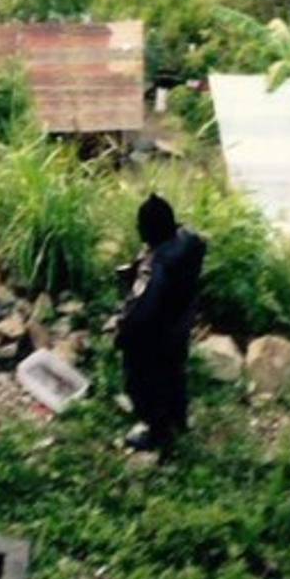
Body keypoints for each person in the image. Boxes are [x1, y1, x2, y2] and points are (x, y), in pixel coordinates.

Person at [115, 193, 207, 457]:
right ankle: (178, 418)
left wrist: (123, 331)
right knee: (175, 374)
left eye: (141, 226)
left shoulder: (159, 269)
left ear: (150, 231)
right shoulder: (188, 242)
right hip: (179, 325)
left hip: (155, 335)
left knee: (142, 381)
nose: (138, 230)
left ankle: (156, 432)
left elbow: (143, 310)